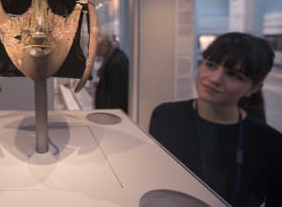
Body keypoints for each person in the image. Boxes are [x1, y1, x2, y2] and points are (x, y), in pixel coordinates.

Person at [149, 32, 282, 207]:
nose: (215, 79)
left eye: (234, 75)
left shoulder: (270, 143)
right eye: (211, 65)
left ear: (253, 88)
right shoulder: (165, 116)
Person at [94, 34, 129, 112]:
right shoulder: (113, 57)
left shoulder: (116, 63)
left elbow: (115, 97)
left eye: (94, 47)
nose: (94, 52)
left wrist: (108, 116)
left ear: (104, 46)